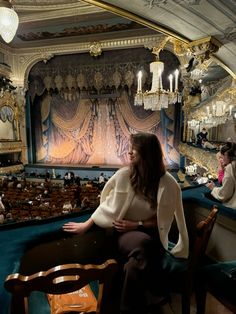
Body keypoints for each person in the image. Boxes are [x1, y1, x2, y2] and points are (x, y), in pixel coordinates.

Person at [63, 132, 189, 314]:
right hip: (124, 234)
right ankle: (153, 299)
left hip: (152, 235)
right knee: (143, 245)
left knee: (134, 264)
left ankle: (127, 309)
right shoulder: (124, 176)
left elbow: (162, 220)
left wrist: (137, 224)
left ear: (147, 155)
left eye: (134, 151)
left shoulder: (168, 184)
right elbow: (107, 206)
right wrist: (87, 224)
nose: (129, 154)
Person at [206, 142, 236, 209]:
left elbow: (225, 194)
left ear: (226, 155)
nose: (221, 158)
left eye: (222, 155)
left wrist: (213, 188)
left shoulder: (231, 167)